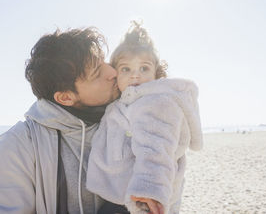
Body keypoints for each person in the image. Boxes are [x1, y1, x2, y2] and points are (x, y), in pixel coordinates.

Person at [0, 27, 121, 214]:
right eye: (97, 73)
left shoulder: (126, 121)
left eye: (104, 61)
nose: (112, 72)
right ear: (65, 98)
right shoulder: (19, 145)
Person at [86, 22, 203, 214]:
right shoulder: (126, 103)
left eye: (144, 68)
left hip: (140, 197)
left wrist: (148, 192)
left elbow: (156, 148)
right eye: (126, 69)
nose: (135, 76)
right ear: (115, 73)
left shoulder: (155, 102)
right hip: (122, 195)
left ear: (157, 73)